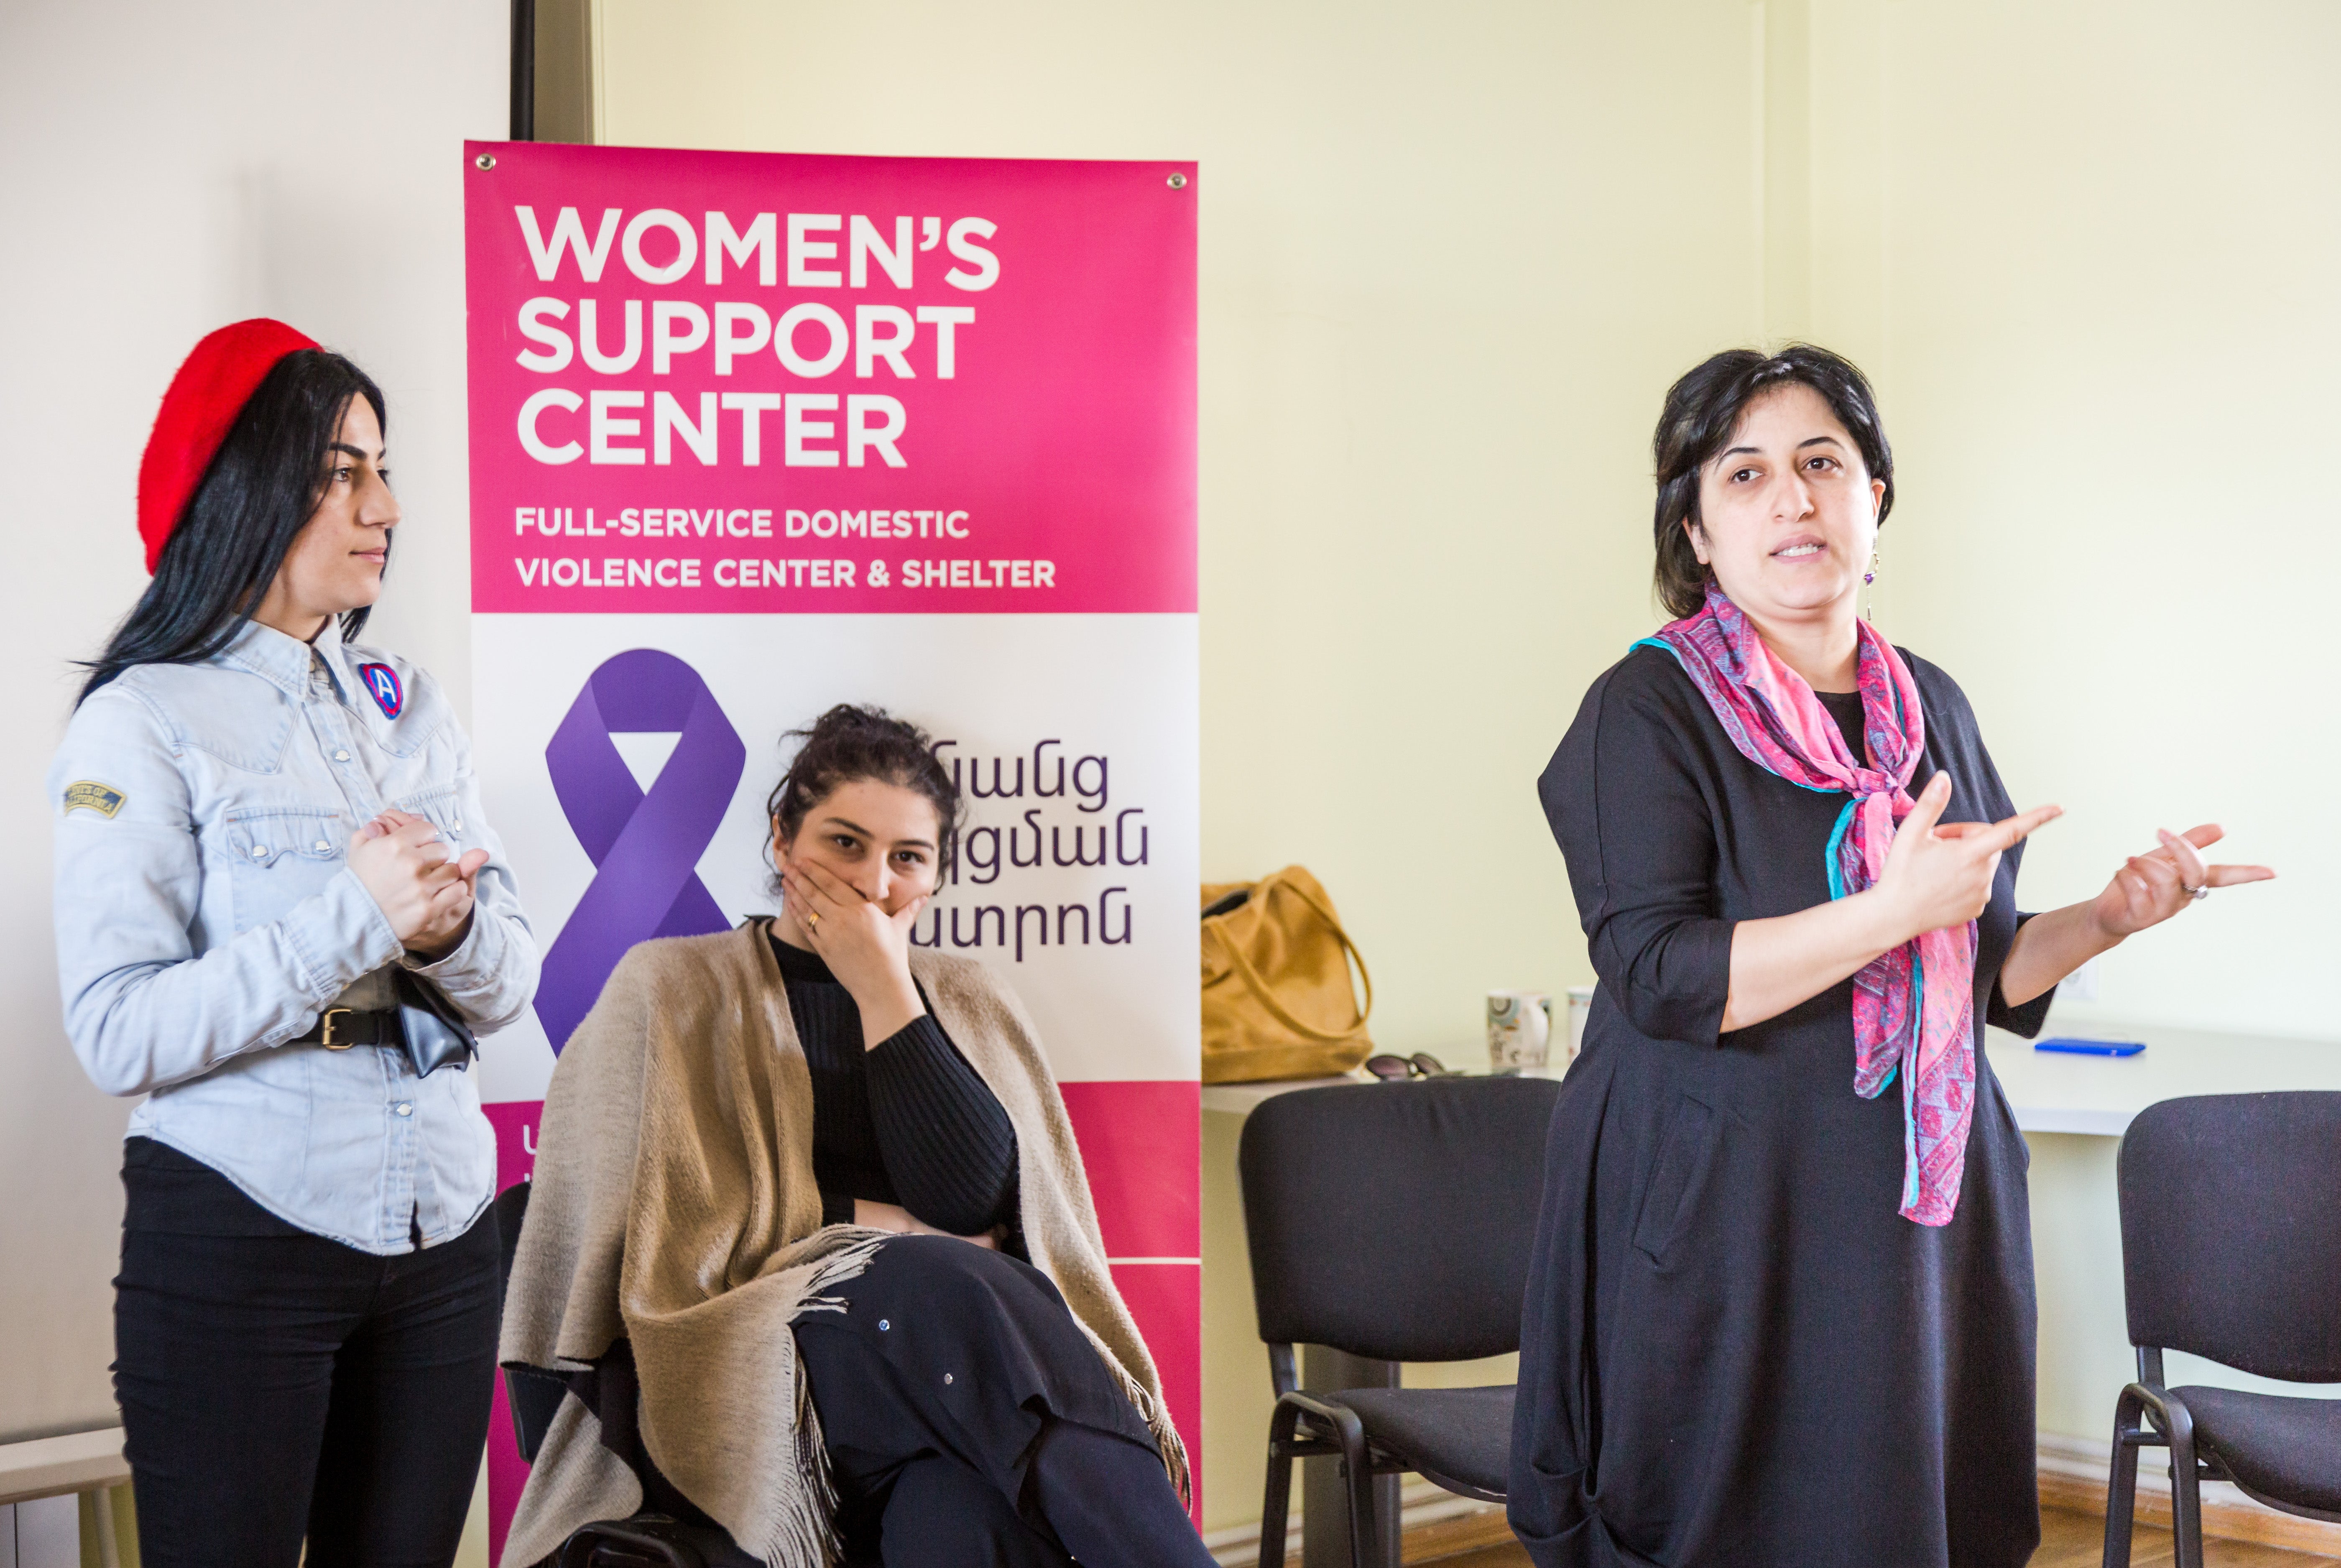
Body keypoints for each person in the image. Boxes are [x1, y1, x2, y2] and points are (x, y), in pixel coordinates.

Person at [1508, 345, 2273, 1568]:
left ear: (1878, 498)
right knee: (1730, 1518)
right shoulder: (1643, 709)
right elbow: (1657, 973)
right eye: (1745, 474)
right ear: (1698, 531)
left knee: (1916, 1516)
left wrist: (2116, 914)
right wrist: (1889, 910)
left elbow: (1992, 967)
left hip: (1916, 1215)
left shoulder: (1931, 704)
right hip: (1726, 1209)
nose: (1794, 499)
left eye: (1824, 463)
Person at [500, 704, 1210, 1568]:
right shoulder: (670, 986)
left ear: (937, 877)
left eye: (906, 858)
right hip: (739, 1356)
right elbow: (655, 1227)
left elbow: (983, 1201)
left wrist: (883, 991)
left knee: (957, 1514)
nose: (874, 883)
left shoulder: (966, 997)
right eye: (845, 843)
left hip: (930, 1370)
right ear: (780, 839)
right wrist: (901, 1229)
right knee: (946, 1274)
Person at [47, 320, 539, 1568]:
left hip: (442, 1233)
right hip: (239, 1229)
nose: (386, 504)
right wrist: (359, 919)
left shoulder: (411, 704)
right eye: (343, 471)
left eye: (383, 467)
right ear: (249, 485)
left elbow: (510, 982)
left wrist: (457, 926)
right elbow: (117, 1028)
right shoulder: (143, 717)